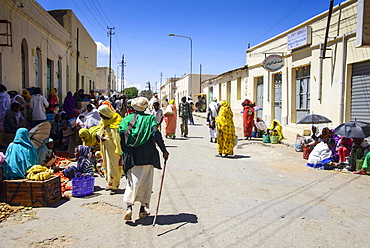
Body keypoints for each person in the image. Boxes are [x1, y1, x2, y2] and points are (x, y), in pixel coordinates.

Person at [119, 97, 169, 221]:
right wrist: (164, 150)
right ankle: (142, 208)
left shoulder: (126, 119)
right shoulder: (150, 118)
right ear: (146, 107)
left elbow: (121, 135)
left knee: (132, 182)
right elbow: (155, 134)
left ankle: (129, 207)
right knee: (146, 182)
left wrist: (123, 152)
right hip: (148, 155)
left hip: (131, 155)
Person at [97, 104, 123, 194]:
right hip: (106, 150)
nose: (101, 116)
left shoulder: (116, 122)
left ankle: (115, 186)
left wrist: (106, 139)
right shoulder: (104, 122)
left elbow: (118, 138)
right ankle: (110, 184)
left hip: (114, 150)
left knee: (113, 167)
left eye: (101, 114)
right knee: (107, 166)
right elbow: (101, 132)